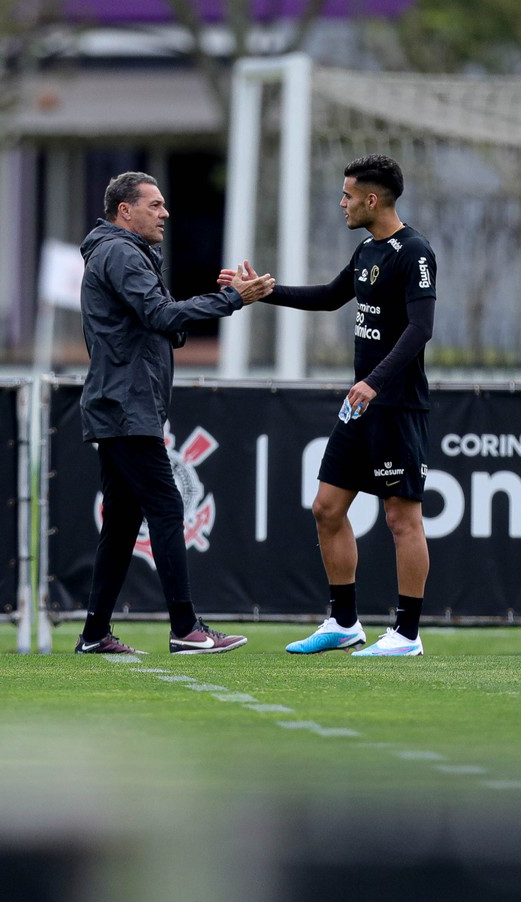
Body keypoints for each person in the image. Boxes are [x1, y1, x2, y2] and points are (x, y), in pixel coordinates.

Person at [219, 154, 435, 656]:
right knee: (327, 508)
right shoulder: (366, 250)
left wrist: (375, 382)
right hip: (361, 404)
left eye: (347, 195)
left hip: (396, 405)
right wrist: (261, 293)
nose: (342, 203)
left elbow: (421, 329)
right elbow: (329, 296)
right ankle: (344, 622)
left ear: (372, 199)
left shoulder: (415, 251)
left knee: (402, 519)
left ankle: (407, 634)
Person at [76, 171, 274, 655]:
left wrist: (218, 297)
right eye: (155, 205)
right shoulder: (121, 252)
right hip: (126, 407)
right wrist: (232, 300)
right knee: (166, 508)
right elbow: (162, 317)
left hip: (123, 405)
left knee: (122, 524)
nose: (166, 213)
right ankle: (186, 629)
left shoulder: (123, 253)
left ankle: (94, 633)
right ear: (126, 211)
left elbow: (159, 323)